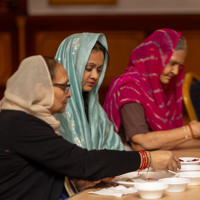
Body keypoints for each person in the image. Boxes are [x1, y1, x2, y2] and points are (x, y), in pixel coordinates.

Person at [0, 55, 180, 200]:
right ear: (40, 88)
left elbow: (37, 173)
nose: (69, 94)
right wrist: (146, 159)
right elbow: (82, 162)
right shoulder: (19, 123)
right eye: (64, 87)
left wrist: (74, 184)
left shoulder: (26, 118)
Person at [104, 28, 200, 151]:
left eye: (179, 66)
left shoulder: (162, 88)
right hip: (129, 159)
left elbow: (170, 140)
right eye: (172, 63)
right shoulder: (130, 88)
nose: (175, 72)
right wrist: (190, 130)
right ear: (154, 57)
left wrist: (192, 132)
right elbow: (141, 143)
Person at [55, 33, 124, 150]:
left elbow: (117, 150)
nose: (95, 76)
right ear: (71, 66)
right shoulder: (54, 108)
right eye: (88, 68)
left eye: (99, 70)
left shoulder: (97, 112)